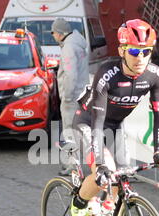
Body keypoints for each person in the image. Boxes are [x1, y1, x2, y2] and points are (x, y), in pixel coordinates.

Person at [71, 19, 159, 216]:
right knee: (105, 171)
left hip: (116, 127)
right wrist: (101, 163)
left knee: (120, 188)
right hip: (89, 122)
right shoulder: (108, 73)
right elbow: (97, 120)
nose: (141, 57)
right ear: (123, 50)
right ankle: (79, 205)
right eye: (135, 51)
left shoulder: (155, 75)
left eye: (146, 51)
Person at [51, 18, 90, 176]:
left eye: (53, 32)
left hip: (72, 97)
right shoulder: (78, 43)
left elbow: (70, 74)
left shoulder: (68, 48)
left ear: (60, 34)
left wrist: (66, 97)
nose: (53, 36)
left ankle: (73, 165)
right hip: (82, 94)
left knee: (69, 130)